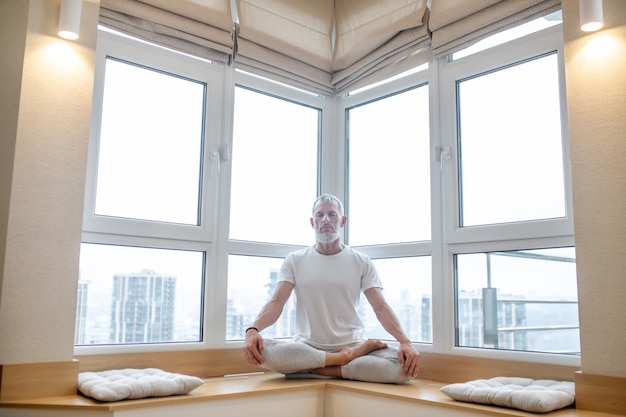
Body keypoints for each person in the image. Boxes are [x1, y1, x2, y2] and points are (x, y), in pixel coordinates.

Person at [243, 194, 420, 383]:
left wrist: (405, 342)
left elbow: (380, 307)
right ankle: (342, 361)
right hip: (307, 347)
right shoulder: (295, 260)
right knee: (264, 351)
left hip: (351, 344)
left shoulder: (361, 261)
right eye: (319, 215)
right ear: (312, 222)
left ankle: (310, 369)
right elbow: (276, 302)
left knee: (400, 368)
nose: (325, 219)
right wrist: (252, 330)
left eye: (331, 214)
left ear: (342, 221)